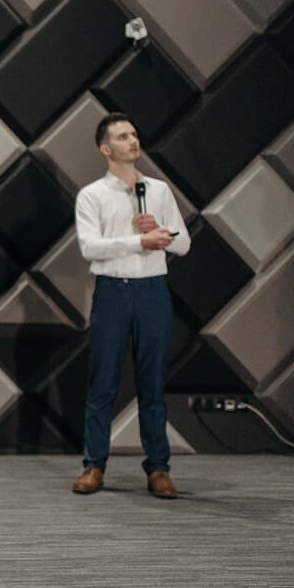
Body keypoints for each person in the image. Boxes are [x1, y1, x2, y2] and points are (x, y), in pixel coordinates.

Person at [72, 114, 191, 498]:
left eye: (135, 134)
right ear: (106, 149)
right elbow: (89, 247)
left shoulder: (157, 190)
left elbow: (183, 242)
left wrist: (161, 233)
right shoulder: (92, 195)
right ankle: (94, 465)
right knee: (103, 382)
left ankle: (158, 469)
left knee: (152, 384)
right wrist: (138, 241)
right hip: (113, 292)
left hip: (153, 291)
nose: (133, 141)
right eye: (123, 137)